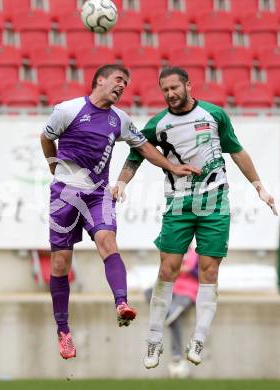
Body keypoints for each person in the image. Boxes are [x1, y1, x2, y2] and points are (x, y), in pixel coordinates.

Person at [112, 66, 278, 368]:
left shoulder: (213, 115)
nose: (170, 94)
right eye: (165, 90)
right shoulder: (158, 124)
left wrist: (259, 188)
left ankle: (199, 338)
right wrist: (122, 182)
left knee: (209, 270)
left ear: (188, 85)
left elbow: (237, 151)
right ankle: (153, 339)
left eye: (175, 88)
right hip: (178, 204)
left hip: (215, 203)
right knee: (168, 269)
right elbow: (137, 153)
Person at [40, 64, 200, 360]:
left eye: (125, 83)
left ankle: (121, 304)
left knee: (108, 242)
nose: (122, 86)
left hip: (98, 193)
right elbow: (46, 138)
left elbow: (145, 147)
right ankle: (63, 330)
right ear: (99, 80)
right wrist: (54, 167)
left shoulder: (120, 120)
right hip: (64, 194)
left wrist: (172, 166)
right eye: (118, 80)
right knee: (60, 264)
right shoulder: (68, 110)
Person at [144, 246, 198, 378]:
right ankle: (170, 311)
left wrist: (181, 269)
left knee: (175, 318)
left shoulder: (196, 254)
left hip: (186, 290)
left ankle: (177, 357)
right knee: (149, 292)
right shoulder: (173, 251)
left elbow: (197, 271)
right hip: (172, 288)